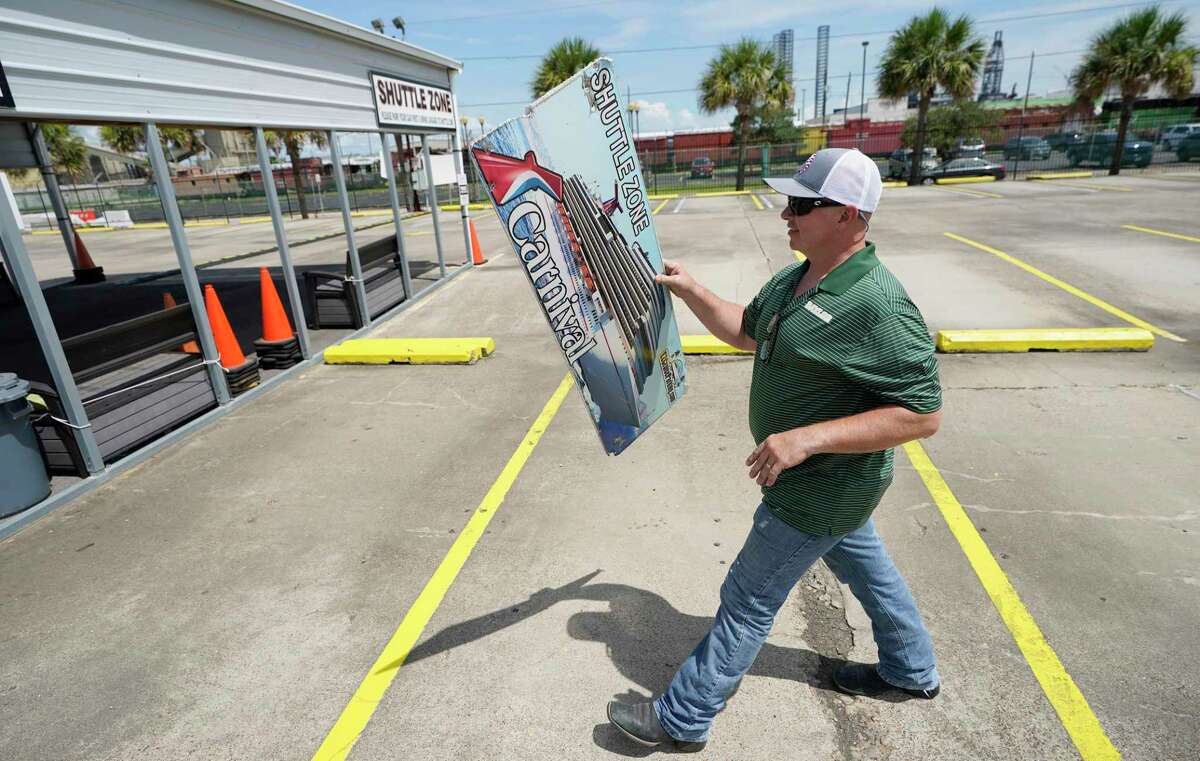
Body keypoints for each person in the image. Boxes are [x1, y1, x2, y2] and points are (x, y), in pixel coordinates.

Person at [607, 148, 943, 752]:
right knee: (865, 566)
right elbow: (746, 329)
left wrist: (804, 438)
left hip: (824, 484)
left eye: (802, 204)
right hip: (826, 485)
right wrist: (690, 291)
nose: (785, 213)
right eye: (787, 200)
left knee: (747, 597)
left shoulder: (877, 304)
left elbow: (922, 414)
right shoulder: (800, 274)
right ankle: (910, 669)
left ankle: (683, 719)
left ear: (847, 215)